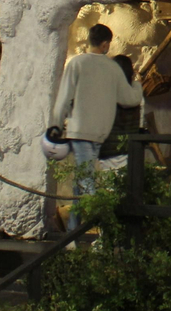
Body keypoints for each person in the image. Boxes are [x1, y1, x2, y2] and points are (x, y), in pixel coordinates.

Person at [51, 23, 143, 231]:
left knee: (81, 182)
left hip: (79, 131)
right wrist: (137, 85)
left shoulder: (76, 63)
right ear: (105, 44)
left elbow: (63, 99)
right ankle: (104, 226)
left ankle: (73, 232)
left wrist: (56, 126)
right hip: (99, 133)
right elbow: (129, 99)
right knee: (87, 184)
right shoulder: (112, 68)